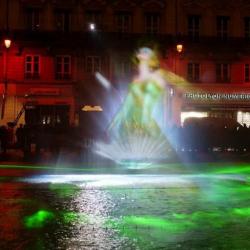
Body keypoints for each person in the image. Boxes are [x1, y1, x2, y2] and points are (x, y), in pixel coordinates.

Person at [109, 47, 168, 138]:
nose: (140, 64)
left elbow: (159, 104)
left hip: (146, 125)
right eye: (140, 61)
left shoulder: (156, 79)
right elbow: (126, 105)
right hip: (134, 124)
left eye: (144, 60)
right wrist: (114, 123)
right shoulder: (136, 82)